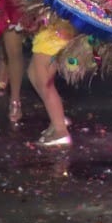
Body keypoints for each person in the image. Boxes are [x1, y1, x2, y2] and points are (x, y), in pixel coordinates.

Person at [26, 8, 75, 148]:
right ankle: (57, 118)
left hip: (55, 35)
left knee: (45, 84)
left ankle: (61, 132)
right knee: (32, 74)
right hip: (49, 31)